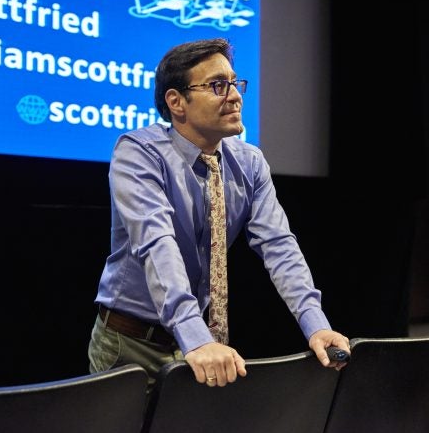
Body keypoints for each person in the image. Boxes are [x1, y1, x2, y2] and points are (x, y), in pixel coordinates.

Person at [87, 37, 350, 391]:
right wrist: (197, 338)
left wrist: (315, 323)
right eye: (217, 85)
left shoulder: (249, 161)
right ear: (176, 102)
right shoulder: (138, 152)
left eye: (235, 83)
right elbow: (157, 244)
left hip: (198, 344)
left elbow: (279, 246)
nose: (236, 95)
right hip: (132, 344)